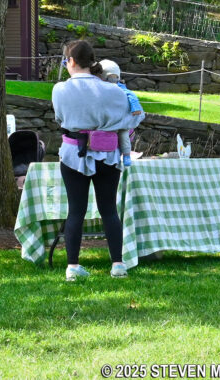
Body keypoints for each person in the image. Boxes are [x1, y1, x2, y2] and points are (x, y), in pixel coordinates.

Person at [52, 40, 145, 281]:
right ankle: (118, 265)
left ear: (71, 61)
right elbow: (133, 117)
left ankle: (72, 266)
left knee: (75, 211)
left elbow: (60, 118)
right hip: (107, 154)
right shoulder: (114, 90)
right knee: (109, 210)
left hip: (73, 154)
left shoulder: (60, 89)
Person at [99, 59, 144, 167]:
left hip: (120, 122)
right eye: (110, 78)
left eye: (114, 78)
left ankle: (127, 155)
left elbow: (132, 97)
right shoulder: (100, 88)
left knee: (124, 135)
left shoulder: (122, 89)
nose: (112, 80)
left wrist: (135, 108)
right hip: (106, 122)